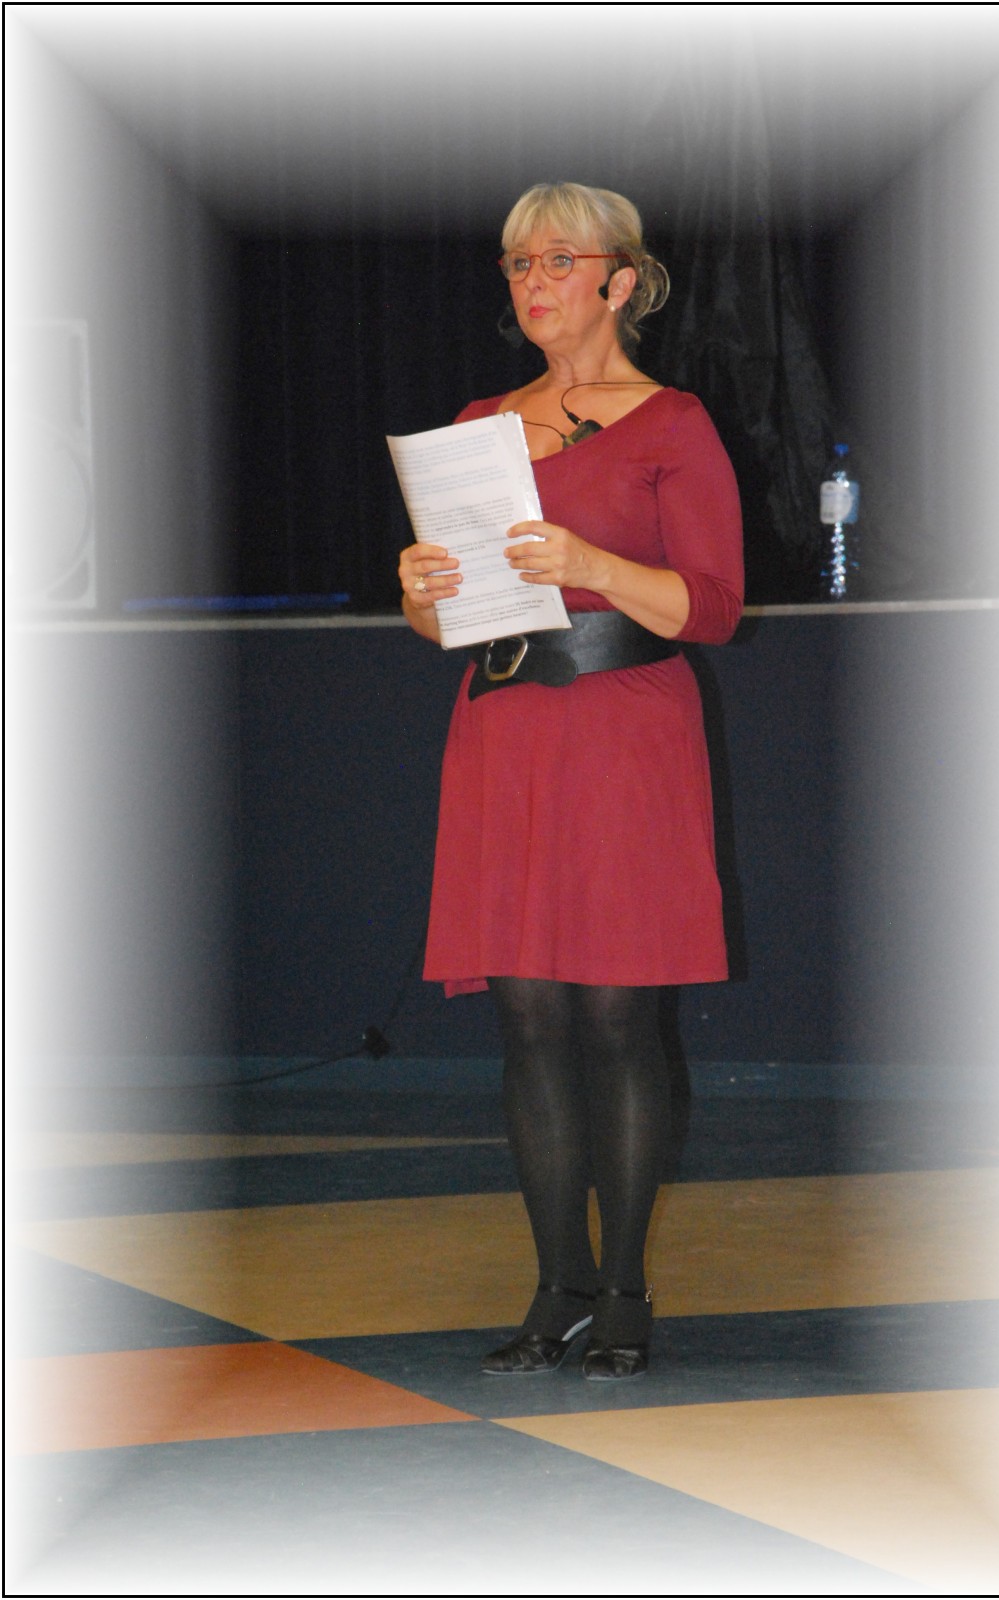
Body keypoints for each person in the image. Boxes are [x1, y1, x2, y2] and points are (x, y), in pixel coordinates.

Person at [398, 183, 744, 1380]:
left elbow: (714, 607)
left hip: (624, 728)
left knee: (615, 1013)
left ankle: (628, 1289)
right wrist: (420, 593)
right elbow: (444, 624)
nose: (533, 281)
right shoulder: (478, 424)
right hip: (504, 730)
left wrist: (592, 560)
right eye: (516, 263)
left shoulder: (674, 423)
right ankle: (559, 1284)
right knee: (530, 1015)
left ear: (620, 280)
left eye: (557, 259)